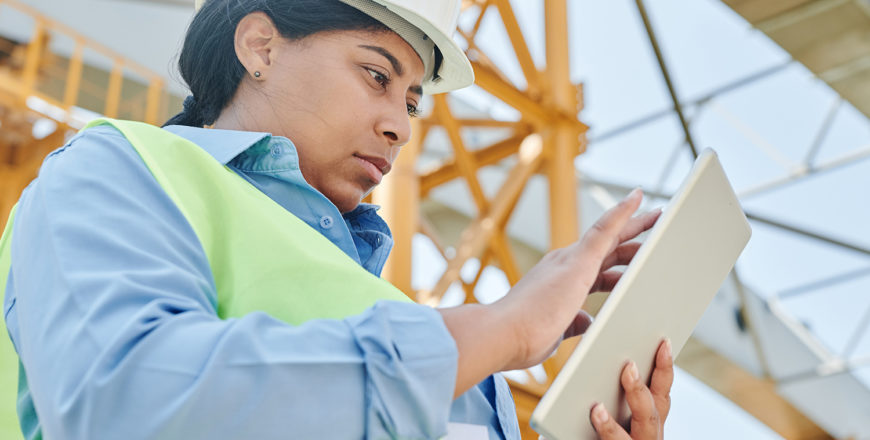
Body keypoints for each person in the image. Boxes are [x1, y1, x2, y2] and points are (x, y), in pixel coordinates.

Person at [0, 0, 673, 439]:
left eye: (413, 102)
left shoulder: (385, 302)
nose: (398, 127)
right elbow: (125, 404)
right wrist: (502, 328)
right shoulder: (117, 169)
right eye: (378, 77)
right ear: (260, 47)